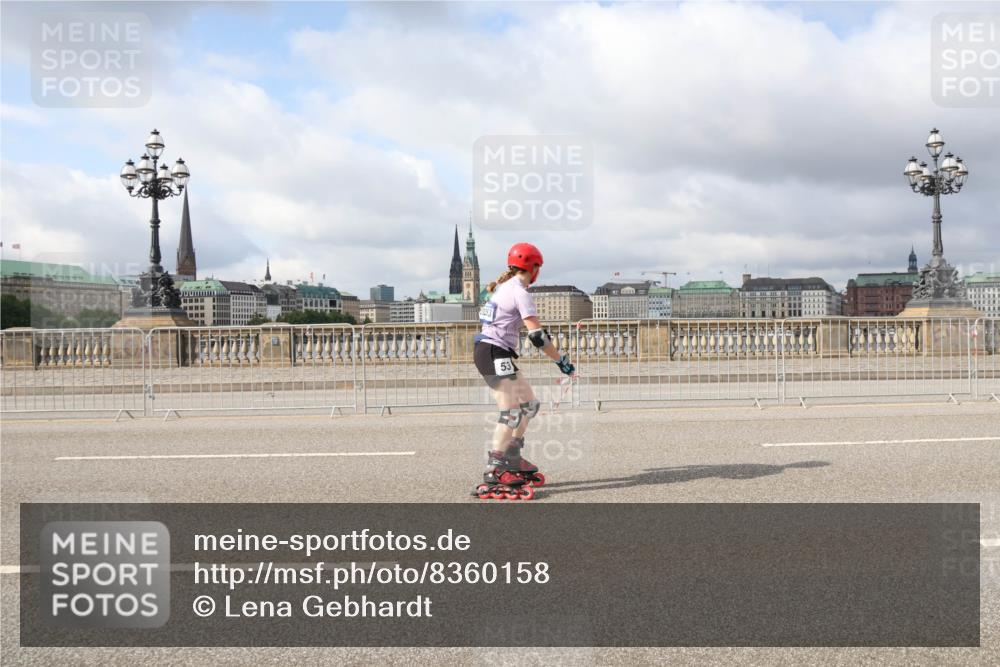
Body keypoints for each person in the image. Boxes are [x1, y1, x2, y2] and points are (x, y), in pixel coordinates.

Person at [472, 242, 576, 500]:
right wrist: (560, 360)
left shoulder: (503, 288)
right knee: (511, 412)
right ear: (534, 268)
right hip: (493, 352)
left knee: (529, 405)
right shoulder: (519, 292)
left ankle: (512, 456)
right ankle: (495, 469)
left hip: (496, 352)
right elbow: (538, 337)